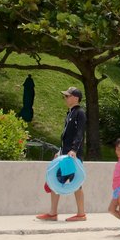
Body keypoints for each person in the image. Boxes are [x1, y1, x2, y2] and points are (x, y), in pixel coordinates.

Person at [36, 86, 87, 222]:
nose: (65, 98)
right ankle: (53, 213)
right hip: (65, 155)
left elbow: (80, 133)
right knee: (56, 181)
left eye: (67, 96)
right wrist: (60, 151)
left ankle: (81, 214)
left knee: (77, 183)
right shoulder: (69, 113)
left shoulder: (80, 113)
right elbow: (66, 137)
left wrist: (74, 150)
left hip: (73, 156)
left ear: (75, 98)